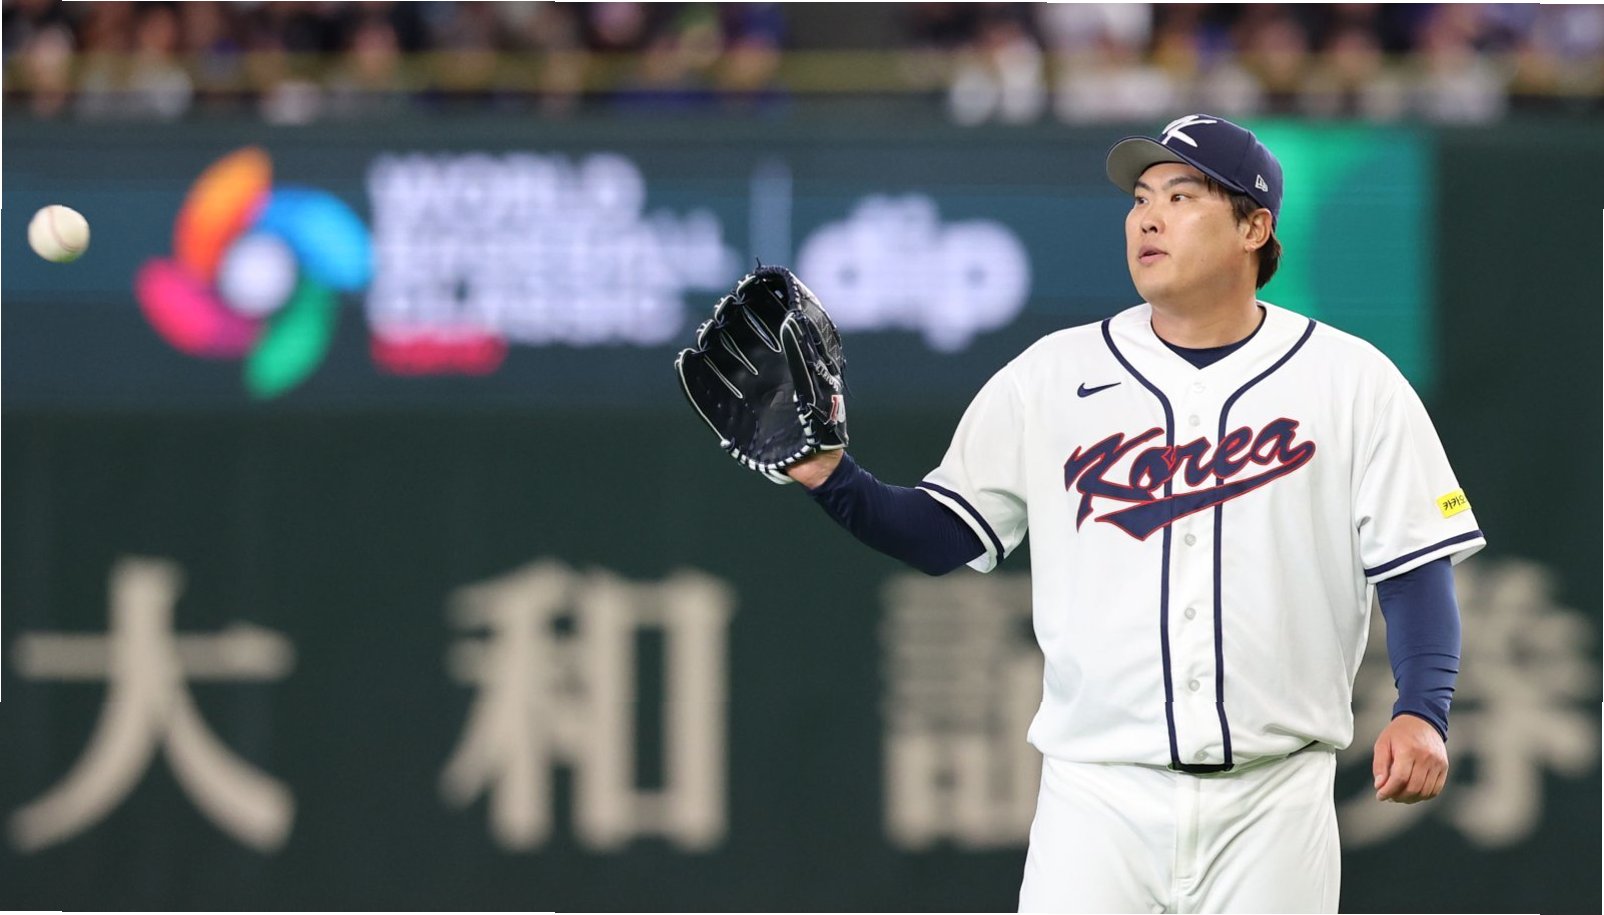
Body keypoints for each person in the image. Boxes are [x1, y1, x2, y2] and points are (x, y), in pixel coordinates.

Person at [784, 114, 1484, 913]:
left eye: (1181, 197)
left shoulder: (1353, 380)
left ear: (1254, 227)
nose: (1148, 217)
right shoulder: (1052, 375)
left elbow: (1414, 567)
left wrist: (1422, 711)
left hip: (1276, 802)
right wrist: (831, 478)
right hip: (1096, 799)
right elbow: (943, 532)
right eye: (1141, 198)